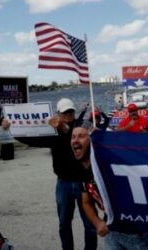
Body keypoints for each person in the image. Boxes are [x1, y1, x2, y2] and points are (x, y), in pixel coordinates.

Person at [71, 121, 148, 250]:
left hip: (135, 230)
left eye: (81, 136)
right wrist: (98, 222)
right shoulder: (81, 167)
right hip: (111, 229)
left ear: (92, 139)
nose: (75, 140)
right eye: (73, 137)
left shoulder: (108, 163)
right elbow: (86, 201)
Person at [47, 98, 97, 250]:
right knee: (64, 223)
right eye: (64, 112)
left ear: (74, 112)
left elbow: (87, 137)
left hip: (84, 181)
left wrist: (65, 129)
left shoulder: (81, 126)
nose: (68, 114)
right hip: (63, 182)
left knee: (90, 223)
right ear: (58, 114)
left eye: (70, 111)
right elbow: (33, 139)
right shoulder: (52, 131)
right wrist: (11, 129)